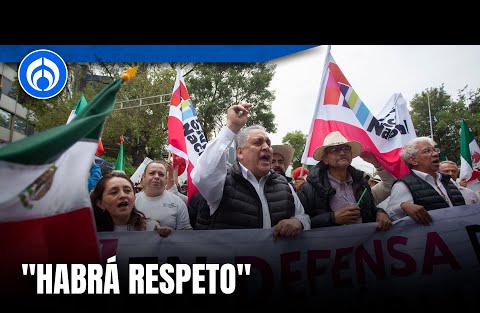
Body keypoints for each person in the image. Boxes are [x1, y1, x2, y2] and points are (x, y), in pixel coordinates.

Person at [191, 102, 310, 239]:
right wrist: (232, 127)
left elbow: (304, 217)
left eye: (268, 143)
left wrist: (299, 222)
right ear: (240, 152)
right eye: (257, 142)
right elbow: (203, 175)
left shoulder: (285, 185)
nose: (266, 147)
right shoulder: (222, 184)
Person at [298, 131, 391, 231]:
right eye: (334, 150)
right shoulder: (309, 189)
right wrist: (332, 218)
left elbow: (372, 209)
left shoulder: (362, 183)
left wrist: (380, 213)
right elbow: (302, 222)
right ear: (325, 159)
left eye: (346, 148)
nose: (342, 153)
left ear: (351, 155)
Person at [386, 137, 465, 225]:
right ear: (413, 160)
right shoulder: (403, 185)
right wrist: (402, 206)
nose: (435, 154)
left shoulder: (447, 180)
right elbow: (391, 215)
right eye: (427, 151)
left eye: (435, 150)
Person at [135, 160, 192, 236]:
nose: (156, 177)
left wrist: (172, 234)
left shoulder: (178, 202)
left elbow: (186, 233)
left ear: (166, 178)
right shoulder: (132, 201)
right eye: (152, 173)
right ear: (144, 177)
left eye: (161, 174)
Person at [90, 172, 162, 233]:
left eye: (127, 190)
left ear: (134, 198)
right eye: (114, 192)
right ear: (100, 203)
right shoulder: (90, 232)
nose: (123, 195)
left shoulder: (151, 228)